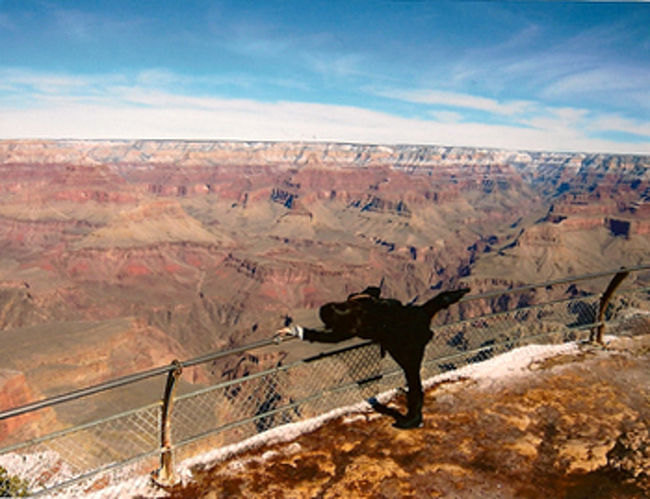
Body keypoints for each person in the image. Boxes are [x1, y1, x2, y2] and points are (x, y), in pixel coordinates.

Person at [276, 285, 470, 429]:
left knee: (413, 376)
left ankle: (415, 418)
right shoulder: (360, 304)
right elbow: (374, 290)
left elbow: (325, 337)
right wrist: (362, 295)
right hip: (413, 316)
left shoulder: (352, 327)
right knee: (434, 305)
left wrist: (295, 331)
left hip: (407, 339)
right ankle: (456, 294)